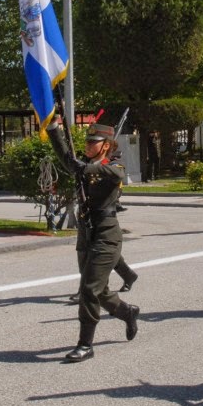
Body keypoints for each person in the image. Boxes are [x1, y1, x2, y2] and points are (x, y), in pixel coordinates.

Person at [48, 118, 139, 362]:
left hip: (107, 236)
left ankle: (85, 345)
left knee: (88, 289)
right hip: (86, 234)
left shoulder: (114, 166)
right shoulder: (84, 164)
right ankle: (128, 312)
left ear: (106, 145)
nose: (88, 145)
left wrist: (86, 168)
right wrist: (53, 130)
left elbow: (112, 172)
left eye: (93, 142)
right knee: (100, 291)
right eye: (87, 141)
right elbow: (66, 157)